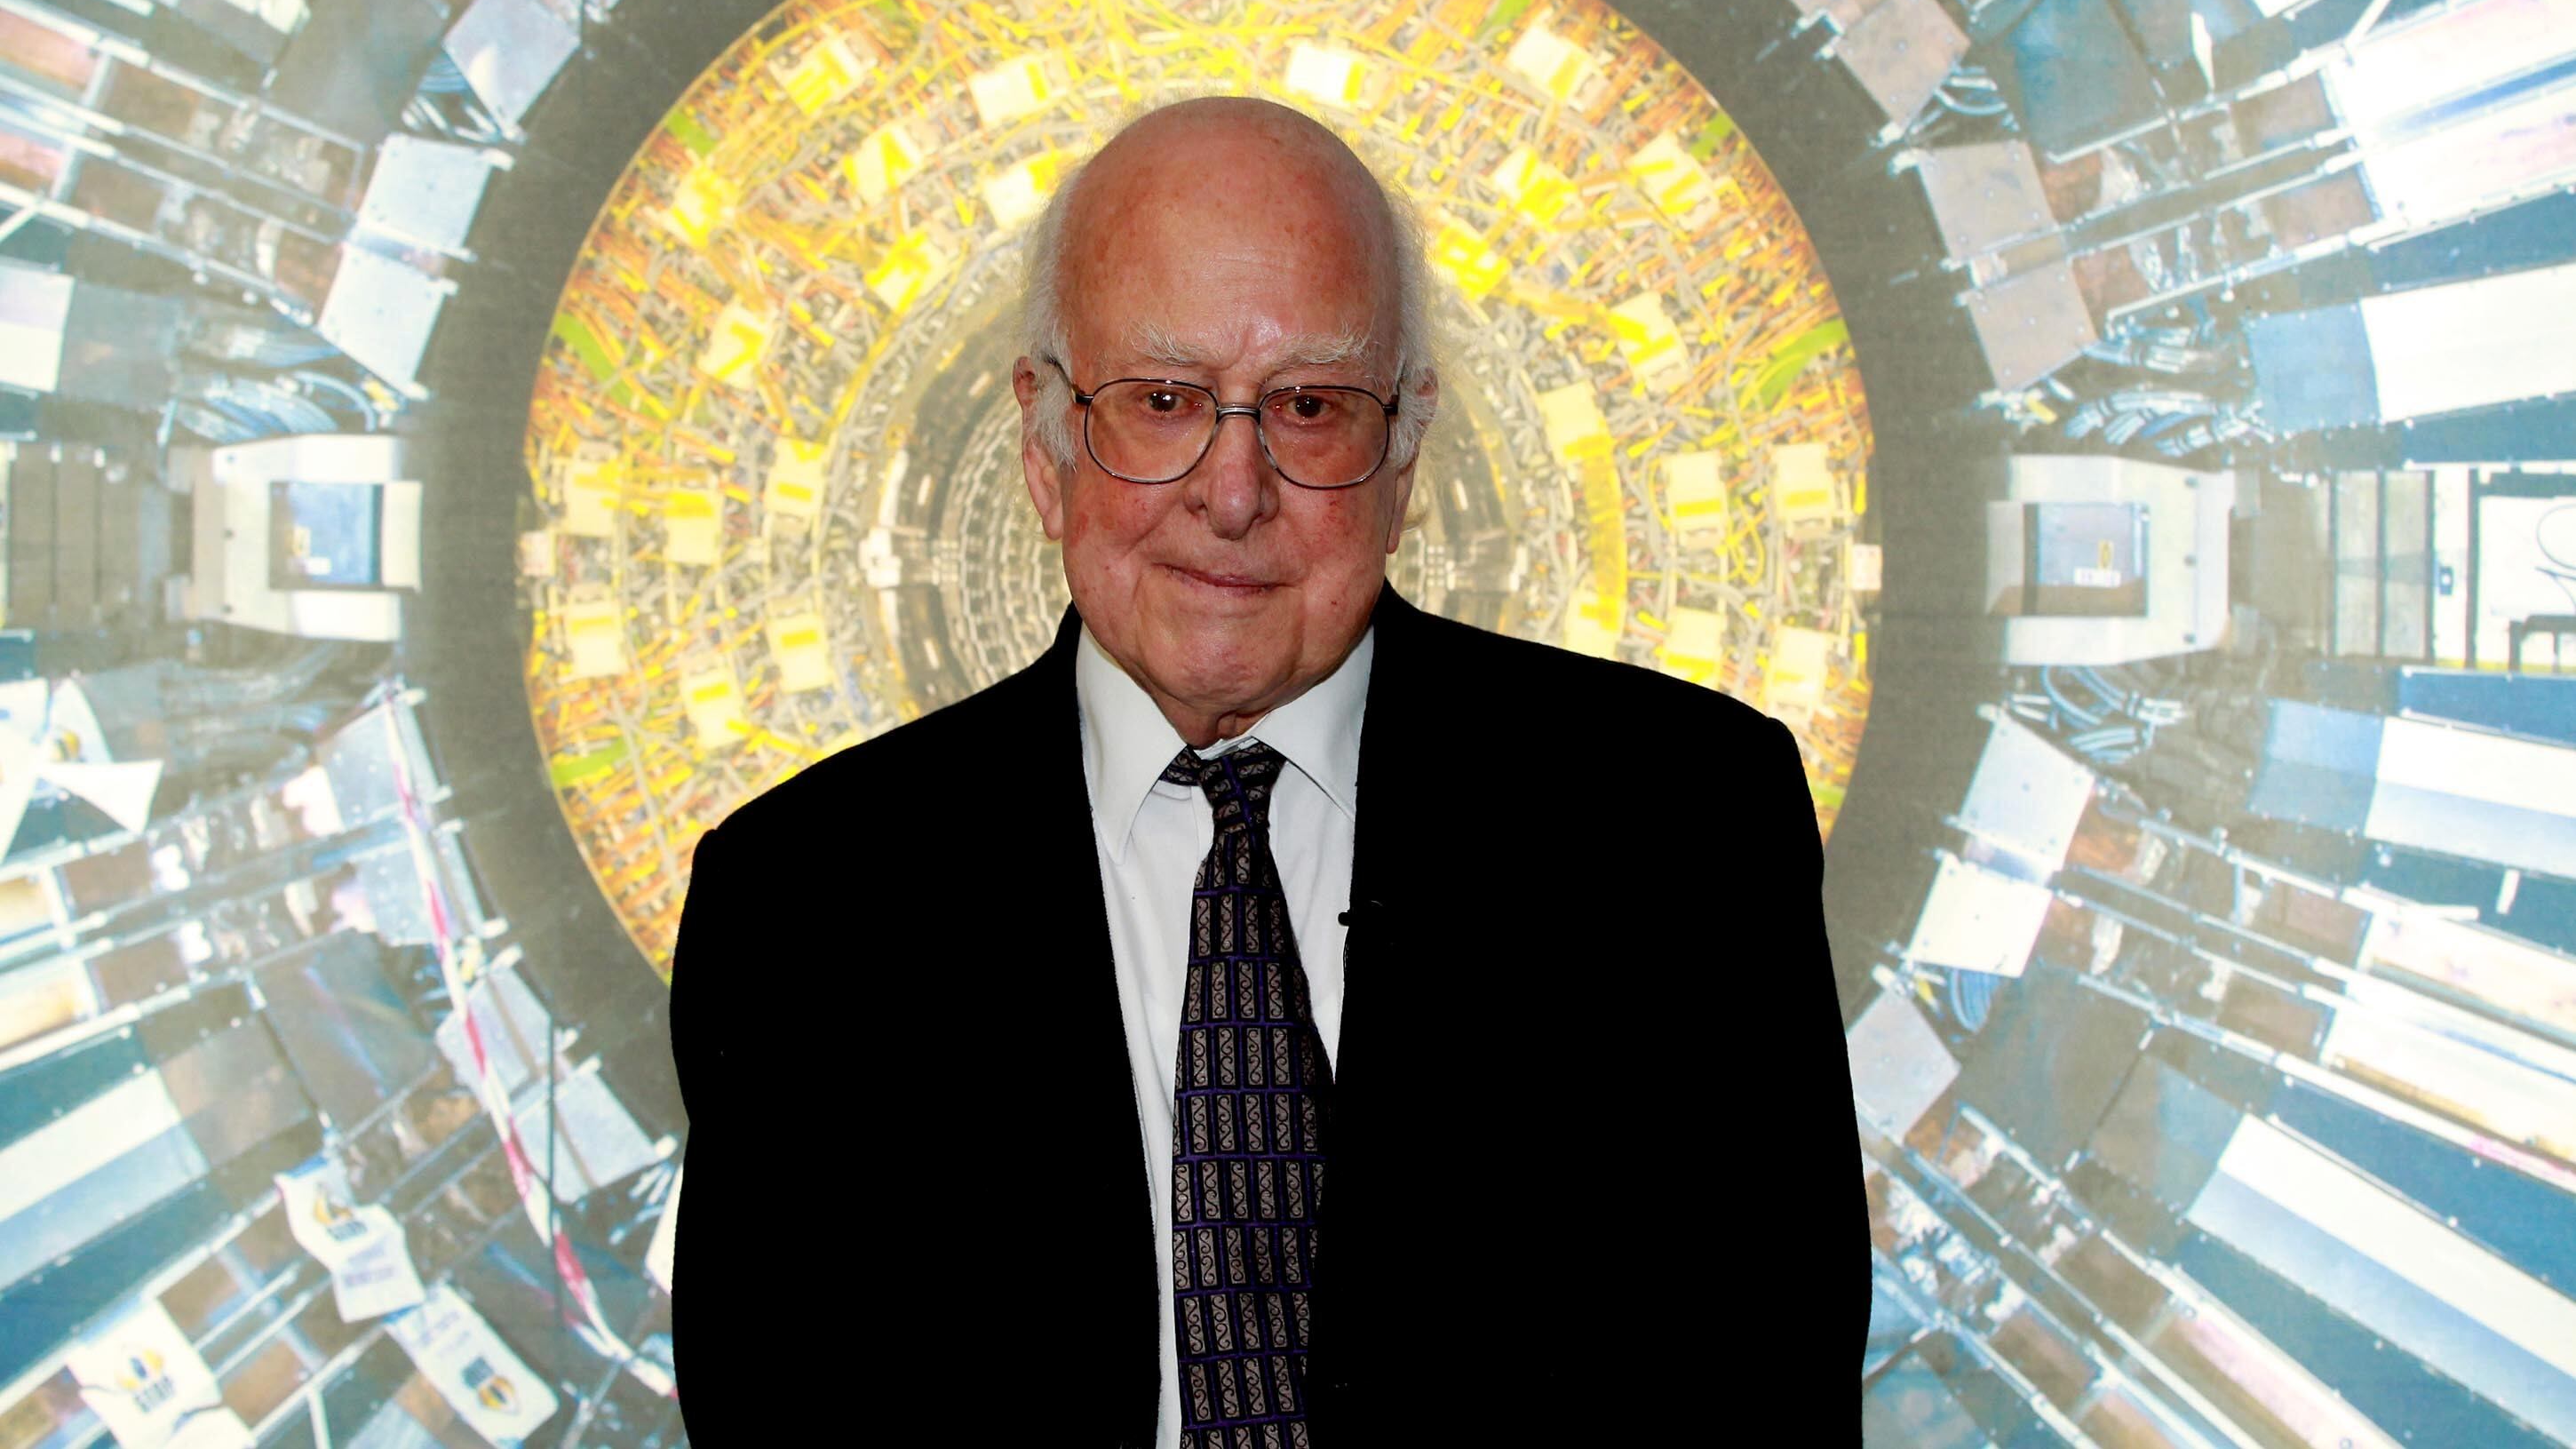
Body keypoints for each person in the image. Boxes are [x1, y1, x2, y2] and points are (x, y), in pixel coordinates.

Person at [669, 96, 1861, 1443]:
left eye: (1308, 406)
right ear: (1044, 442)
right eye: (1162, 400)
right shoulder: (803, 910)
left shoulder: (1685, 834)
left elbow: (1767, 1401)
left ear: (1405, 449)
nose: (1232, 489)